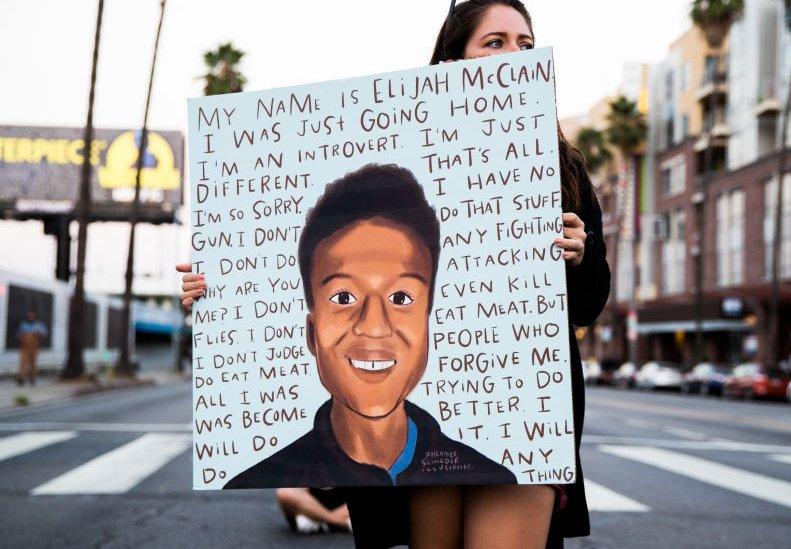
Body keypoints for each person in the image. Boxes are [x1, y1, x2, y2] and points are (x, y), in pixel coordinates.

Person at [179, 1, 611, 546]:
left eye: (526, 44)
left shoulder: (560, 167)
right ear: (455, 61)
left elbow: (590, 305)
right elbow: (308, 269)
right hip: (427, 411)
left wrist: (581, 254)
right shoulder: (392, 148)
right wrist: (221, 288)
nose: (514, 56)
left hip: (520, 408)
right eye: (494, 42)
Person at [223, 164, 514, 488]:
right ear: (311, 333)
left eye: (401, 297)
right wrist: (211, 296)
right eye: (344, 297)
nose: (374, 326)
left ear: (429, 322)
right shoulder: (260, 479)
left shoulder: (491, 478)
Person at [276, 487, 351, 535]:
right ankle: (341, 523)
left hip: (344, 505)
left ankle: (320, 522)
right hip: (311, 505)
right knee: (285, 492)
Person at [16, 311, 48, 386]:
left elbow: (44, 334)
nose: (30, 318)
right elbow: (18, 334)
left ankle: (32, 379)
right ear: (27, 317)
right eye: (29, 316)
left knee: (33, 364)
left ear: (35, 317)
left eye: (32, 316)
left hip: (34, 347)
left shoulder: (39, 325)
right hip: (24, 347)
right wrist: (22, 336)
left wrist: (38, 332)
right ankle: (21, 379)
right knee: (22, 363)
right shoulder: (23, 324)